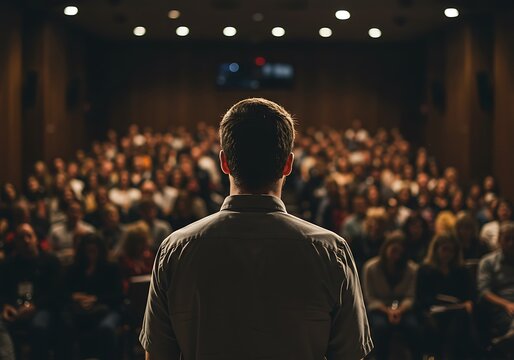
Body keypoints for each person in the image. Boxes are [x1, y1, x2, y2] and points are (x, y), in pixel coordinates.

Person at [140, 98, 373, 360]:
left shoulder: (176, 250)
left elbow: (158, 356)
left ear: (224, 162)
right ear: (288, 164)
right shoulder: (331, 251)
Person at [0, 223, 67, 360]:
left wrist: (35, 306)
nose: (26, 241)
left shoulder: (50, 261)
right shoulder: (9, 264)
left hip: (42, 307)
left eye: (29, 236)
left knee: (38, 326)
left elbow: (56, 292)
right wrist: (5, 306)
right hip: (16, 308)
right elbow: (2, 290)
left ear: (36, 239)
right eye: (21, 237)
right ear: (16, 242)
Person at [415, 233, 477, 359]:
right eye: (445, 249)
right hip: (433, 311)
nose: (448, 254)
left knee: (459, 320)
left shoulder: (460, 270)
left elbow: (469, 293)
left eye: (451, 251)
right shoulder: (425, 270)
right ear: (436, 249)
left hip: (456, 311)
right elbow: (421, 297)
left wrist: (468, 302)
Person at [65, 233, 124, 360]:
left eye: (94, 251)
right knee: (65, 325)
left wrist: (96, 299)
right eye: (88, 251)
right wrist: (74, 297)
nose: (91, 254)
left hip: (108, 308)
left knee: (106, 328)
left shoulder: (111, 268)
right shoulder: (75, 268)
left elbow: (118, 295)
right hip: (80, 309)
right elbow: (63, 292)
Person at [362, 231, 420, 360]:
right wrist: (387, 311)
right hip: (379, 308)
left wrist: (399, 310)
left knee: (413, 327)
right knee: (380, 327)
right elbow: (370, 297)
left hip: (402, 309)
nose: (396, 254)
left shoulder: (412, 269)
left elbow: (410, 296)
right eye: (393, 249)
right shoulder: (370, 268)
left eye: (400, 251)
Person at [477, 221, 514, 353]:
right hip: (501, 308)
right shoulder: (488, 262)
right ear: (499, 240)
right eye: (507, 239)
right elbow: (484, 291)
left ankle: (509, 339)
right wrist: (506, 304)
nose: (511, 243)